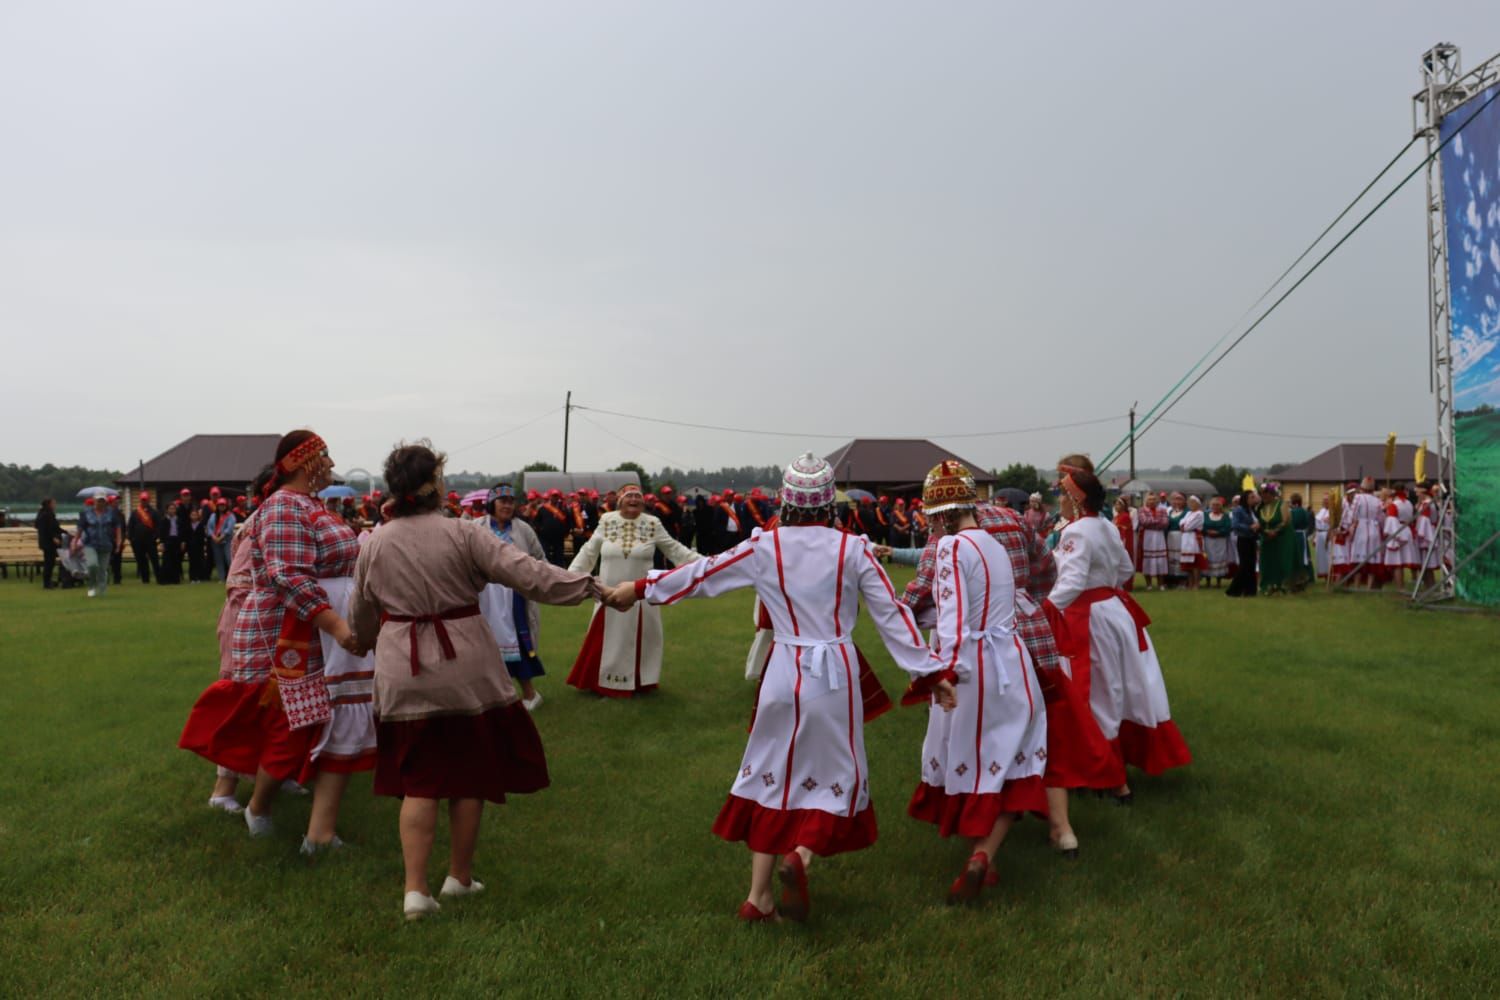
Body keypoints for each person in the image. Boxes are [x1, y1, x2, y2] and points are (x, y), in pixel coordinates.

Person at [602, 453, 955, 922]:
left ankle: (758, 896)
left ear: (787, 500)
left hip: (782, 668)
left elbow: (702, 575)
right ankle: (801, 856)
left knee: (769, 776)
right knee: (839, 777)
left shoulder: (763, 546)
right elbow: (893, 616)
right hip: (833, 673)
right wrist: (931, 672)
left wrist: (641, 587)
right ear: (829, 502)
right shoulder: (854, 550)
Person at [346, 442, 613, 920]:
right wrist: (593, 588)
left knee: (419, 780)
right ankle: (459, 879)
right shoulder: (464, 534)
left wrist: (361, 642)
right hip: (464, 669)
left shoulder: (375, 542)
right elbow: (528, 573)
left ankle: (414, 891)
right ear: (434, 486)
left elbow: (362, 615)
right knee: (468, 776)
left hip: (403, 670)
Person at [179, 430, 362, 848]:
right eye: (325, 457)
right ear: (300, 463)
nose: (332, 465)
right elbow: (288, 575)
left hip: (307, 627)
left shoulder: (309, 506)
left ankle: (293, 814)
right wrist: (337, 625)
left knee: (308, 720)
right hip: (283, 633)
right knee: (287, 724)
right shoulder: (284, 506)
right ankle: (257, 806)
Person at [902, 462, 1048, 903]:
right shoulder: (995, 544)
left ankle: (979, 855)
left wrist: (940, 673)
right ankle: (986, 856)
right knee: (1014, 760)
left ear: (942, 514)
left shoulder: (950, 548)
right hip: (1013, 662)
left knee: (965, 758)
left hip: (972, 666)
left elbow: (954, 619)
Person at [1043, 466, 1191, 796]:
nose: (1059, 503)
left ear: (1074, 499)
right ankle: (1113, 771)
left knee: (1097, 692)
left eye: (1062, 496)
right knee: (1122, 688)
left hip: (1089, 618)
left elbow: (1072, 581)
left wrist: (1044, 612)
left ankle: (1110, 778)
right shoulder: (1107, 526)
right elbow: (1125, 568)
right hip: (1116, 612)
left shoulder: (1076, 532)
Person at [566, 484, 701, 697]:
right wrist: (569, 577)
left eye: (638, 496)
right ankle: (604, 684)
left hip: (641, 595)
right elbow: (588, 551)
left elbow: (676, 550)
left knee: (643, 638)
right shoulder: (607, 520)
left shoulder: (652, 523)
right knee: (608, 638)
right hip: (608, 594)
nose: (634, 500)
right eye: (629, 496)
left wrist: (708, 565)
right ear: (619, 500)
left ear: (644, 501)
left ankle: (638, 683)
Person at [476, 484, 549, 711]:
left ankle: (530, 693)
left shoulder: (522, 529)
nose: (507, 505)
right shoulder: (476, 527)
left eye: (510, 501)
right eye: (502, 501)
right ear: (492, 503)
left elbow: (539, 558)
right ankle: (492, 696)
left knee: (517, 642)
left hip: (516, 596)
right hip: (485, 596)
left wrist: (538, 580)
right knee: (484, 644)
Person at [77, 496, 120, 597]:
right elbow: (80, 529)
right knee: (92, 565)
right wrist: (75, 541)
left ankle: (102, 590)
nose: (100, 503)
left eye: (102, 501)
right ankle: (91, 586)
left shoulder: (112, 513)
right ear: (94, 502)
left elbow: (118, 528)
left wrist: (118, 541)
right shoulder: (86, 514)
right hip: (90, 544)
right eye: (98, 501)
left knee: (102, 569)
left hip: (106, 544)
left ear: (105, 502)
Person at [1255, 483, 1293, 596]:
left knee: (1280, 561)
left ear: (1272, 494)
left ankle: (1281, 585)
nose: (1264, 497)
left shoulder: (1282, 505)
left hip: (1281, 538)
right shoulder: (1260, 508)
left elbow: (1285, 521)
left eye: (1266, 495)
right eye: (1262, 495)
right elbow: (1258, 522)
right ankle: (1266, 585)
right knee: (1266, 562)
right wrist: (1263, 531)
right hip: (1266, 538)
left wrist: (1275, 531)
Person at [1226, 491, 1260, 597]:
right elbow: (1235, 525)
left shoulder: (1252, 510)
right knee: (1244, 565)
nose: (1253, 499)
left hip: (1251, 539)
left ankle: (1250, 591)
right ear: (1245, 499)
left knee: (1251, 565)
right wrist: (1250, 528)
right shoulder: (1239, 510)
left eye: (1254, 497)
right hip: (1243, 539)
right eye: (1251, 497)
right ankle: (1233, 591)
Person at [127, 491, 161, 584]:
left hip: (150, 540)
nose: (144, 501)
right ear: (140, 500)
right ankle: (145, 580)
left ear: (148, 500)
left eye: (145, 500)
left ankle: (159, 578)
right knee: (142, 561)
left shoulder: (154, 512)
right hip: (138, 541)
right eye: (142, 500)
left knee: (154, 560)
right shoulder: (135, 513)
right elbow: (130, 526)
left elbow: (158, 526)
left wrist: (155, 537)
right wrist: (132, 538)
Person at [1137, 494, 1169, 590]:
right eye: (1150, 499)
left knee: (1161, 559)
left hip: (1159, 536)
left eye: (1154, 499)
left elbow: (1165, 523)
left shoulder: (1163, 510)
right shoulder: (1142, 510)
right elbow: (1144, 521)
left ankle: (1161, 584)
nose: (1152, 501)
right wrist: (1157, 521)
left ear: (1157, 501)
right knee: (1148, 559)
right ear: (1146, 501)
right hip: (1148, 536)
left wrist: (1153, 522)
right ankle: (1149, 584)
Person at [1202, 496, 1235, 587]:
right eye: (1213, 505)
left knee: (1220, 558)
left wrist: (1218, 532)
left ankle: (1218, 582)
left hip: (1221, 541)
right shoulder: (1205, 515)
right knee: (1208, 558)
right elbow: (1202, 526)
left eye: (1217, 505)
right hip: (1208, 541)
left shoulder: (1225, 516)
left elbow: (1228, 527)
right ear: (1210, 506)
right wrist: (1208, 531)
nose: (1215, 507)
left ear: (1220, 506)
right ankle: (1208, 581)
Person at [1288, 492, 1315, 591]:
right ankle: (1310, 576)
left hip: (1296, 536)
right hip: (1303, 535)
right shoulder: (1304, 511)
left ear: (1295, 503)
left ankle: (1299, 577)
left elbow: (1291, 524)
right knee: (1306, 557)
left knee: (1298, 556)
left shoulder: (1293, 512)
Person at [36, 498, 64, 589]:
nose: (55, 505)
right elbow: (51, 528)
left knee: (49, 562)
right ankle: (47, 583)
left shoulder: (41, 514)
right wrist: (54, 537)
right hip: (49, 543)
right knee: (49, 563)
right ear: (49, 504)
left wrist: (66, 532)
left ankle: (48, 581)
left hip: (45, 542)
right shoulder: (48, 515)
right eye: (54, 503)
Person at [207, 498, 237, 582]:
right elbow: (209, 528)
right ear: (217, 506)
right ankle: (221, 577)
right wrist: (214, 537)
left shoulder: (230, 515)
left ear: (226, 506)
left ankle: (233, 577)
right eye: (220, 505)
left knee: (229, 559)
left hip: (227, 540)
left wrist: (221, 537)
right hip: (215, 541)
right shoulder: (213, 516)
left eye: (223, 505)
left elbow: (229, 528)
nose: (221, 507)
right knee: (218, 560)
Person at [1179, 496, 1205, 591]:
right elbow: (1181, 522)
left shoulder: (1199, 514)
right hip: (1186, 538)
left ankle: (1196, 583)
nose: (1191, 504)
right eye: (1190, 502)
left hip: (1194, 538)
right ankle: (1190, 583)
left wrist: (1184, 526)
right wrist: (1184, 525)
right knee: (1188, 563)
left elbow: (1189, 526)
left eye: (1193, 502)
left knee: (1195, 563)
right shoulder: (1188, 513)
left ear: (1198, 504)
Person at [1112, 498, 1135, 591]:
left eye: (1119, 504)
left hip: (1124, 541)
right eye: (1116, 504)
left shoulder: (1125, 516)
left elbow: (1124, 530)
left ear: (1124, 506)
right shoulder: (1116, 516)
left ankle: (1127, 585)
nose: (1117, 506)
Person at [1314, 494, 1333, 579]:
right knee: (1320, 556)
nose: (1325, 501)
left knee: (1328, 555)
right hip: (1319, 534)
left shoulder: (1332, 512)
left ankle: (1330, 573)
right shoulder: (1321, 510)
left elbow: (1332, 525)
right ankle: (1323, 572)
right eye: (1324, 499)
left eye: (1327, 499)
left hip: (1327, 534)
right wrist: (1315, 537)